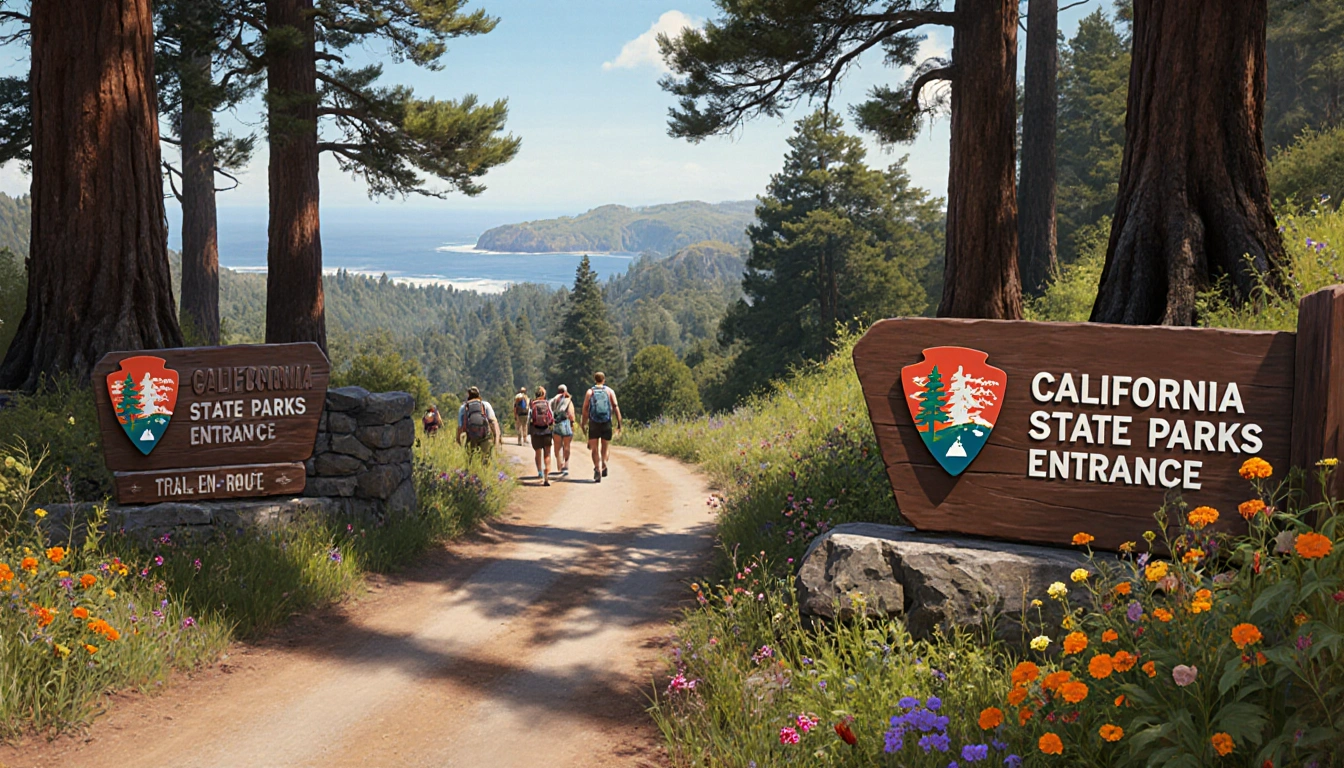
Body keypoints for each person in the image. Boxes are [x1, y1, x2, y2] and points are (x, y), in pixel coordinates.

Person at [580, 371, 622, 483]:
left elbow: (585, 409)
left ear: (595, 379)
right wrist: (619, 422)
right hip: (606, 422)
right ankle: (603, 463)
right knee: (605, 446)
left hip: (594, 422)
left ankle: (597, 469)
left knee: (594, 448)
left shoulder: (590, 392)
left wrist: (583, 423)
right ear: (604, 380)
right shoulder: (609, 391)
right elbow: (615, 406)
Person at [456, 387, 501, 459]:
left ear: (468, 395)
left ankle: (471, 468)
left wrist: (459, 442)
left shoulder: (463, 407)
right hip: (485, 437)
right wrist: (496, 440)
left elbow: (460, 427)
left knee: (471, 460)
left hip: (471, 438)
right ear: (479, 395)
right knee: (485, 460)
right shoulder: (485, 405)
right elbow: (494, 423)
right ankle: (485, 469)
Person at [528, 385, 555, 486]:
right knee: (547, 453)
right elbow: (551, 418)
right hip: (546, 431)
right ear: (544, 394)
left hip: (535, 431)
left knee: (537, 452)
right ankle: (546, 473)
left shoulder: (532, 405)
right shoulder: (547, 404)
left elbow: (529, 419)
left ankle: (539, 472)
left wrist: (529, 432)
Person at [548, 384, 575, 476]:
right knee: (566, 446)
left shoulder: (553, 400)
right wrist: (572, 423)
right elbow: (571, 414)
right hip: (566, 424)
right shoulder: (568, 401)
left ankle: (559, 465)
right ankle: (565, 466)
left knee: (557, 446)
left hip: (556, 425)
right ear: (565, 391)